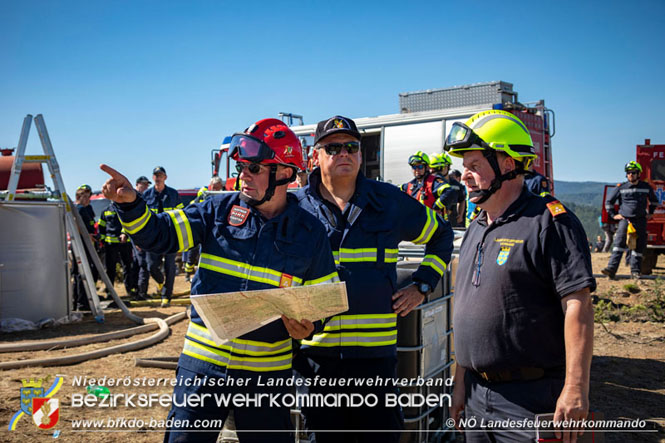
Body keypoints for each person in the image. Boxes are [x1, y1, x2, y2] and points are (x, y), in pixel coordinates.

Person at [100, 118, 339, 443]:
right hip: (203, 367)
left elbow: (324, 300)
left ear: (284, 172)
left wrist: (311, 325)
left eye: (254, 168)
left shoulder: (310, 234)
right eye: (241, 166)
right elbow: (160, 234)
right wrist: (130, 206)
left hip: (266, 376)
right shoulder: (214, 210)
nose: (242, 175)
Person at [296, 115, 454, 442]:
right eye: (333, 147)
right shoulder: (294, 208)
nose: (344, 153)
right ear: (315, 156)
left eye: (351, 147)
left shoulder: (388, 201)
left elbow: (441, 235)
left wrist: (422, 285)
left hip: (375, 361)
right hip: (316, 361)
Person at [446, 110, 595, 443]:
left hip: (530, 401)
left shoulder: (549, 222)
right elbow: (466, 313)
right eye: (464, 168)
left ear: (509, 163)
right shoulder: (477, 227)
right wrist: (459, 386)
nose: (465, 176)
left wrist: (574, 389)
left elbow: (578, 306)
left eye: (474, 166)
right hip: (475, 396)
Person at [601, 161, 658, 279]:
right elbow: (609, 202)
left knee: (638, 247)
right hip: (625, 220)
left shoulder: (646, 187)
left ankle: (635, 272)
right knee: (618, 245)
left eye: (633, 172)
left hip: (640, 221)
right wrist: (613, 215)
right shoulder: (621, 187)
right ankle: (611, 269)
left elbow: (654, 201)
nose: (630, 175)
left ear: (638, 174)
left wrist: (651, 213)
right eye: (628, 173)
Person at [141, 166, 183, 307]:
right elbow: (140, 217)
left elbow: (181, 214)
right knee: (151, 266)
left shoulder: (173, 194)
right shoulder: (146, 195)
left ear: (165, 177)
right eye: (156, 175)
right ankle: (160, 281)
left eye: (161, 175)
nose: (158, 178)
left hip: (170, 236)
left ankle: (166, 296)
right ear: (153, 178)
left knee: (170, 267)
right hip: (152, 237)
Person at [183, 176, 224, 282]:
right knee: (193, 252)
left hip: (215, 232)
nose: (216, 190)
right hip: (201, 229)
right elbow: (192, 208)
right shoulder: (204, 196)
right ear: (210, 186)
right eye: (214, 187)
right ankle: (188, 273)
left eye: (218, 188)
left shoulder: (224, 197)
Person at [98, 202, 138, 299]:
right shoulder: (106, 211)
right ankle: (109, 291)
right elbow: (101, 227)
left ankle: (130, 290)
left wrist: (127, 235)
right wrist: (103, 241)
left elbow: (130, 224)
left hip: (125, 243)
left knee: (128, 267)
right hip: (110, 244)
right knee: (110, 269)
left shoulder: (125, 209)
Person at [72, 184, 100, 310]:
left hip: (87, 243)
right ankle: (81, 302)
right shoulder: (79, 209)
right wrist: (87, 236)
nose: (88, 199)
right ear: (78, 197)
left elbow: (92, 223)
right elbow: (75, 225)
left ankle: (85, 300)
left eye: (89, 196)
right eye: (86, 196)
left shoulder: (87, 208)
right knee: (81, 273)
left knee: (89, 271)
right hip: (81, 244)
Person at [131, 176, 152, 299]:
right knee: (142, 264)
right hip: (137, 238)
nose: (145, 187)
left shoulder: (146, 198)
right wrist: (137, 240)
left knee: (144, 264)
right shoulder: (134, 198)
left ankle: (141, 291)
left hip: (145, 236)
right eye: (143, 185)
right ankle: (140, 292)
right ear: (137, 184)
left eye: (147, 185)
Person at [430, 152, 463, 225]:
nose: (440, 170)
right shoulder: (433, 183)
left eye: (443, 167)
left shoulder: (456, 185)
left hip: (453, 218)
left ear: (448, 167)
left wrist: (460, 215)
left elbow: (462, 199)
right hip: (437, 218)